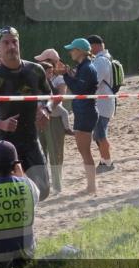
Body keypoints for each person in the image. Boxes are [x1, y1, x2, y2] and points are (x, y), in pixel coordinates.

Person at [0, 27, 52, 200]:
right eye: (6, 42)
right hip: (6, 145)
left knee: (43, 190)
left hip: (31, 139)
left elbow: (51, 95)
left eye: (14, 41)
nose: (11, 46)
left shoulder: (35, 70)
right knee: (12, 194)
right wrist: (0, 124)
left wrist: (45, 108)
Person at [61, 37, 99, 195]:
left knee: (85, 151)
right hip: (83, 111)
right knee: (84, 151)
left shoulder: (87, 67)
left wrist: (65, 75)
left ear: (80, 51)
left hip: (85, 112)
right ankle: (91, 186)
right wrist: (69, 74)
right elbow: (79, 86)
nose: (70, 52)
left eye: (72, 49)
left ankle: (92, 186)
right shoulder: (84, 66)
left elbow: (79, 89)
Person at [0, 140, 39, 268]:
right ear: (16, 164)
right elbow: (34, 194)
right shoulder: (29, 186)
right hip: (24, 259)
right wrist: (18, 169)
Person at [33, 48, 71, 196]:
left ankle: (57, 185)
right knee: (41, 152)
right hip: (40, 118)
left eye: (43, 60)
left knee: (55, 153)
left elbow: (60, 97)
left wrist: (46, 110)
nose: (39, 63)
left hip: (54, 119)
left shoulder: (58, 79)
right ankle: (43, 184)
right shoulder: (39, 78)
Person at [87, 35, 116, 175]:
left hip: (103, 103)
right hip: (103, 102)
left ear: (95, 45)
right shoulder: (103, 59)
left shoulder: (101, 61)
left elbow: (94, 82)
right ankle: (105, 160)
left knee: (100, 134)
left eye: (89, 46)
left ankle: (108, 162)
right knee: (99, 134)